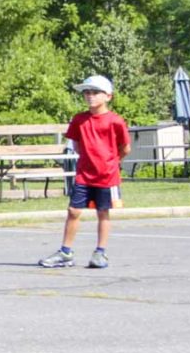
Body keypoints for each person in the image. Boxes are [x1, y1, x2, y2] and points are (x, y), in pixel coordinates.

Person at [41, 75, 130, 269]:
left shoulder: (115, 121)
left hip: (107, 175)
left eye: (95, 92)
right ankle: (65, 252)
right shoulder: (79, 120)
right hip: (84, 174)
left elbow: (125, 147)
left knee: (103, 212)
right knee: (73, 210)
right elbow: (78, 144)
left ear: (108, 96)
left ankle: (100, 252)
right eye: (87, 92)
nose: (90, 96)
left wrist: (113, 162)